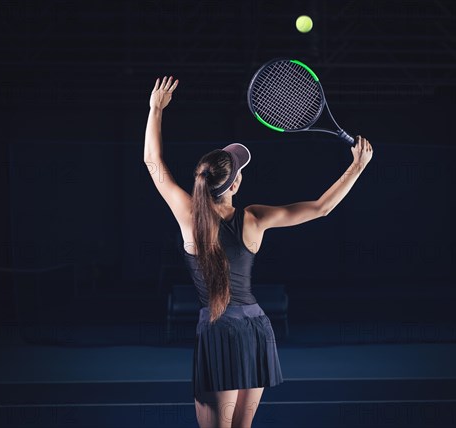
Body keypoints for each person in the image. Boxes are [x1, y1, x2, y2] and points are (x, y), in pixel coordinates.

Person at [144, 76, 373, 428]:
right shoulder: (253, 218)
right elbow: (321, 208)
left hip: (220, 333)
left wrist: (155, 109)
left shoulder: (188, 215)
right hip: (255, 330)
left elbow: (152, 162)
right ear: (234, 184)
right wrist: (356, 167)